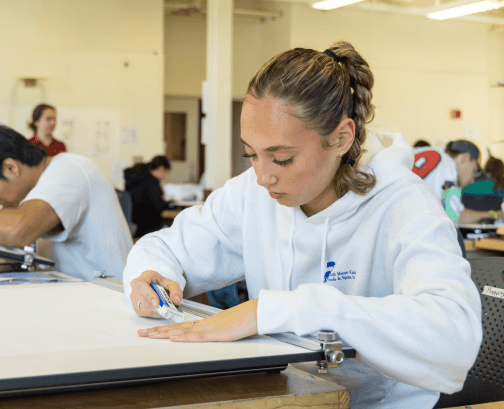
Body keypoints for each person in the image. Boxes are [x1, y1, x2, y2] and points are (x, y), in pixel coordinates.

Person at [123, 42, 481, 408]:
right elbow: (166, 248)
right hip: (287, 398)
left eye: (282, 158)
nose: (263, 176)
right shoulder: (254, 192)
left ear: (342, 137)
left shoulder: (404, 204)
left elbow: (454, 334)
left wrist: (280, 310)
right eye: (251, 154)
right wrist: (155, 276)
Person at [0, 125, 132, 281]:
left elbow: (16, 230)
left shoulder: (69, 169)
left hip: (107, 296)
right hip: (75, 295)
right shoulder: (38, 190)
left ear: (11, 168)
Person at [445, 140, 504, 224]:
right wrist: (495, 214)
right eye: (474, 171)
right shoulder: (445, 182)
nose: (472, 180)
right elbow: (455, 217)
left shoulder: (447, 182)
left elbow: (456, 215)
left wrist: (493, 214)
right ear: (464, 158)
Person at [123, 156, 172, 238]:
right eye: (166, 172)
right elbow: (157, 205)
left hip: (133, 223)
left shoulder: (135, 177)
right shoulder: (152, 181)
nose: (166, 175)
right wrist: (170, 204)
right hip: (147, 226)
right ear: (161, 168)